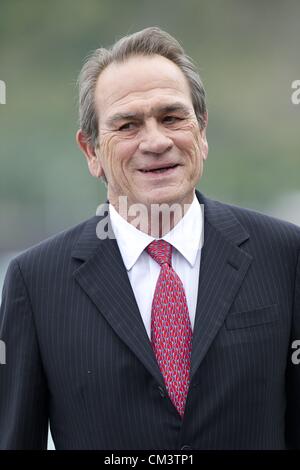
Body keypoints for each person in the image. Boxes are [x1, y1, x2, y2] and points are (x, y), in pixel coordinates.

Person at [0, 27, 300, 450]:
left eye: (172, 118)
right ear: (91, 152)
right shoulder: (35, 282)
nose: (156, 141)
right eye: (127, 125)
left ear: (202, 132)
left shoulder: (285, 256)